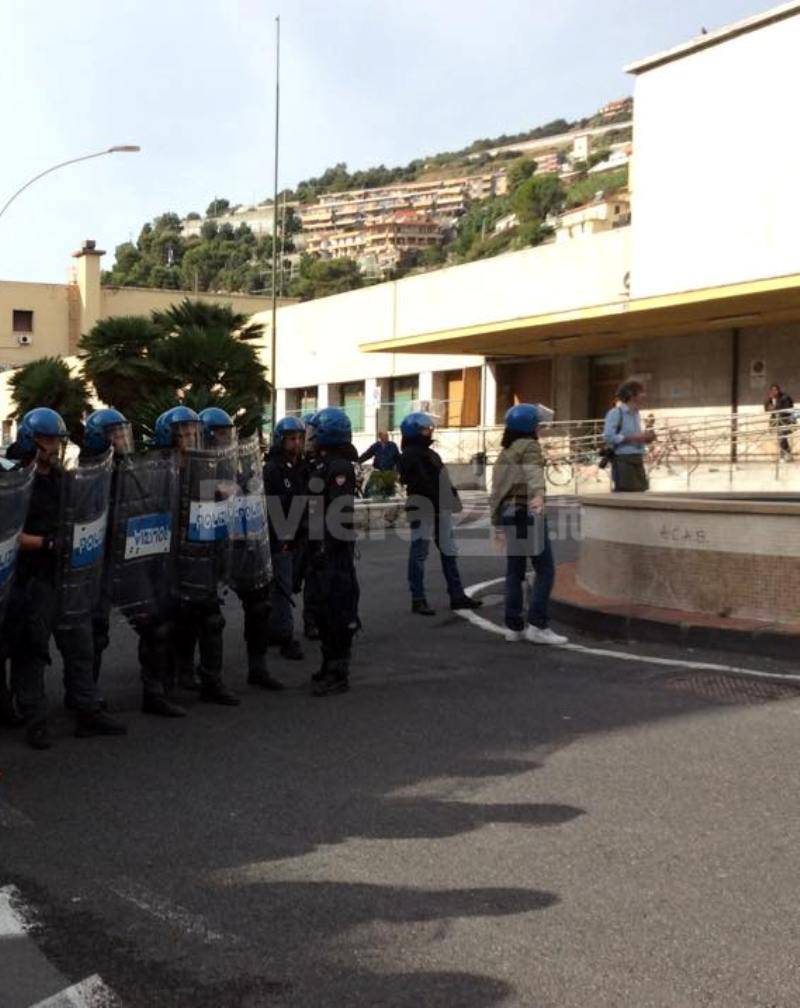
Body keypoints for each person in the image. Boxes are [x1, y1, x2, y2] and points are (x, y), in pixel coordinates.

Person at [6, 408, 125, 748]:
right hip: (33, 578)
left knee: (80, 644)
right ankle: (35, 718)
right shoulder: (16, 480)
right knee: (33, 650)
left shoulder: (61, 477)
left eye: (58, 441)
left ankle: (86, 709)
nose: (54, 447)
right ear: (31, 440)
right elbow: (7, 535)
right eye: (47, 440)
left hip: (68, 576)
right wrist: (46, 542)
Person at [79, 407, 187, 718]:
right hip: (98, 563)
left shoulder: (134, 470)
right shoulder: (88, 474)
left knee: (155, 625)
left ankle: (153, 693)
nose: (123, 440)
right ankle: (87, 700)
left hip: (130, 560)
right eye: (115, 434)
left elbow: (151, 505)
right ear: (100, 439)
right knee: (94, 634)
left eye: (124, 433)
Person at [197, 407, 283, 691]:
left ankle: (258, 668)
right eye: (220, 434)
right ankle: (204, 677)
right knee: (206, 618)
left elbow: (252, 495)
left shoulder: (239, 463)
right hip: (207, 550)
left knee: (260, 604)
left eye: (228, 433)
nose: (225, 438)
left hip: (242, 544)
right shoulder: (194, 466)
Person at [162, 406, 240, 706]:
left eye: (193, 431)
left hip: (204, 553)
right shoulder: (162, 467)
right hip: (172, 558)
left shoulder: (209, 465)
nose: (188, 437)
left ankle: (212, 680)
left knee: (210, 620)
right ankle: (172, 680)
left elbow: (229, 495)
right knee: (174, 623)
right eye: (182, 433)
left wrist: (230, 488)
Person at [490, 404, 567, 645]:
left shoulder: (506, 452)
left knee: (515, 571)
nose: (540, 428)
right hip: (526, 512)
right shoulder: (530, 446)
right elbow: (534, 472)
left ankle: (513, 627)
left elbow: (496, 492)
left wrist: (497, 525)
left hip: (508, 514)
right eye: (537, 424)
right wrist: (539, 495)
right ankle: (537, 624)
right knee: (545, 569)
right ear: (530, 426)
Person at [398, 411, 482, 616]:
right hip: (424, 509)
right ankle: (418, 599)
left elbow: (442, 479)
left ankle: (457, 595)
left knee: (449, 552)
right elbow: (420, 482)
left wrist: (452, 499)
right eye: (426, 428)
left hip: (438, 508)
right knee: (419, 554)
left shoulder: (430, 453)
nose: (430, 431)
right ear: (415, 430)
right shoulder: (410, 455)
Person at [304, 407, 360, 696]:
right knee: (323, 610)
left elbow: (338, 511)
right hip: (321, 547)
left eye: (314, 433)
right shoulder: (322, 464)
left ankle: (338, 671)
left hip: (334, 551)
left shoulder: (339, 467)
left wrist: (326, 546)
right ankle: (328, 664)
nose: (309, 438)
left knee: (337, 610)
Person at [264, 415, 308, 660]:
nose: (296, 443)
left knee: (287, 585)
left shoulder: (300, 466)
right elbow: (272, 504)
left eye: (300, 438)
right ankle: (285, 636)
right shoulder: (273, 468)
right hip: (281, 535)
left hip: (297, 533)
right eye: (292, 439)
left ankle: (275, 629)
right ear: (281, 440)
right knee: (282, 588)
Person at [602, 380, 655, 492]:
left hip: (637, 457)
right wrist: (632, 438)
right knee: (628, 494)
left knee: (641, 492)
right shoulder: (616, 413)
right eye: (641, 392)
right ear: (631, 395)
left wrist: (646, 438)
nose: (644, 395)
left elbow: (637, 436)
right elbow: (608, 436)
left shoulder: (636, 414)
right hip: (623, 459)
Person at [359, 431, 400, 498]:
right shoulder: (376, 446)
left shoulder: (393, 445)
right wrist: (359, 461)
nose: (387, 437)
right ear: (380, 437)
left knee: (389, 488)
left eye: (387, 436)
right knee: (375, 485)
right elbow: (368, 454)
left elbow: (397, 458)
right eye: (385, 436)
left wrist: (398, 470)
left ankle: (390, 497)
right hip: (378, 471)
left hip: (389, 471)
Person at [764, 383, 794, 461]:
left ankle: (783, 455)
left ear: (779, 390)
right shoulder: (771, 399)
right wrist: (769, 402)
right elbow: (767, 408)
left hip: (785, 420)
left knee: (782, 436)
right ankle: (787, 454)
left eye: (775, 390)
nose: (774, 392)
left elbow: (787, 409)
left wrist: (775, 408)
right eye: (772, 390)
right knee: (782, 437)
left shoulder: (785, 397)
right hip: (776, 421)